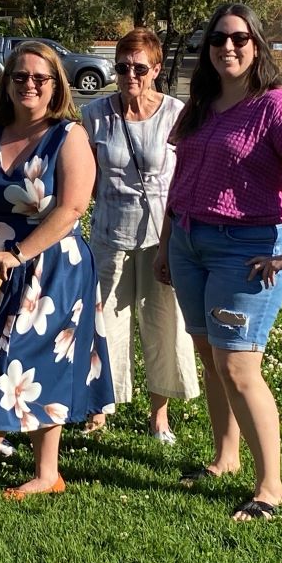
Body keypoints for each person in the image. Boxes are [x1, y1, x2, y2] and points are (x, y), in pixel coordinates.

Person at [153, 3, 282, 520]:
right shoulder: (201, 105)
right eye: (216, 40)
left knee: (238, 363)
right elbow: (178, 183)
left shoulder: (279, 106)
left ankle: (270, 487)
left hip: (247, 248)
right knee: (211, 356)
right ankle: (225, 457)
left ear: (256, 44)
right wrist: (167, 245)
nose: (226, 47)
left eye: (238, 38)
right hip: (189, 240)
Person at [0, 41, 115, 501]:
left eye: (39, 79)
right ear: (6, 83)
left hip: (52, 266)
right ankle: (48, 473)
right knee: (35, 364)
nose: (29, 85)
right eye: (19, 77)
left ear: (55, 86)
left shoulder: (68, 136)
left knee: (10, 358)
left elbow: (72, 209)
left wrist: (19, 252)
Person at [81, 27, 199, 443]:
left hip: (160, 239)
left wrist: (172, 244)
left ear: (156, 69)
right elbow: (85, 178)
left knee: (163, 324)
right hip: (108, 236)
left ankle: (159, 415)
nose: (130, 74)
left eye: (139, 67)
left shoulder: (175, 113)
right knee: (105, 325)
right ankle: (101, 408)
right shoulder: (94, 114)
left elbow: (183, 181)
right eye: (122, 66)